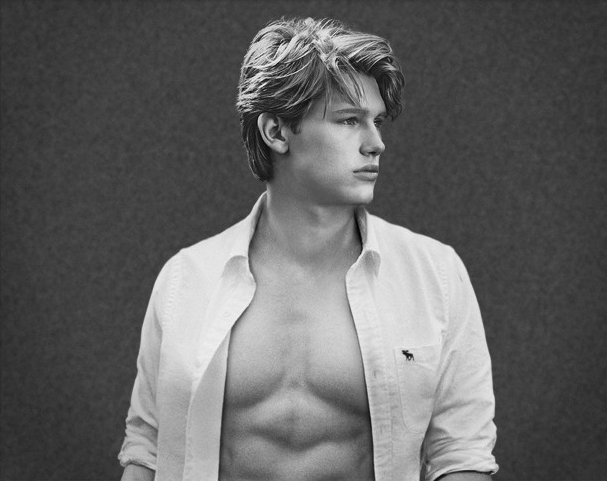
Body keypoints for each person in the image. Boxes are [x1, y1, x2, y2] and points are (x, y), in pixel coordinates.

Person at [119, 17, 498, 481]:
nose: (376, 143)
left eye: (377, 121)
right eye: (349, 120)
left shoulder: (434, 275)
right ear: (277, 132)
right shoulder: (186, 279)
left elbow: (461, 456)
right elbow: (147, 449)